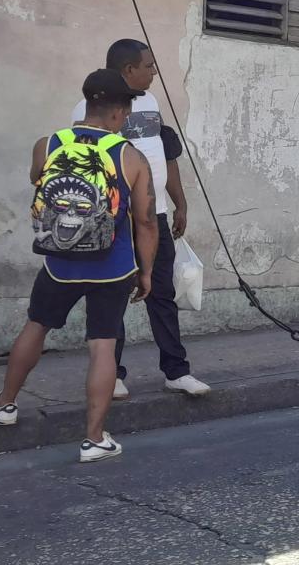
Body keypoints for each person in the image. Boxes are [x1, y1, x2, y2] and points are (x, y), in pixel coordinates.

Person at [0, 69, 157, 463]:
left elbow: (38, 181)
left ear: (87, 103)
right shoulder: (129, 156)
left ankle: (5, 404)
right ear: (120, 112)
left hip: (59, 262)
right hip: (112, 266)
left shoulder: (47, 144)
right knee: (102, 346)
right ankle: (94, 439)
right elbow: (146, 221)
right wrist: (145, 271)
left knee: (36, 326)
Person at [71, 39, 210, 399]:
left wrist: (179, 202)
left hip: (156, 216)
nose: (154, 72)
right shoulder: (90, 110)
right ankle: (112, 373)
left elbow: (166, 156)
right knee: (112, 296)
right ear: (128, 70)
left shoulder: (150, 103)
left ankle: (176, 371)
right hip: (116, 221)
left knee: (162, 294)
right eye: (148, 66)